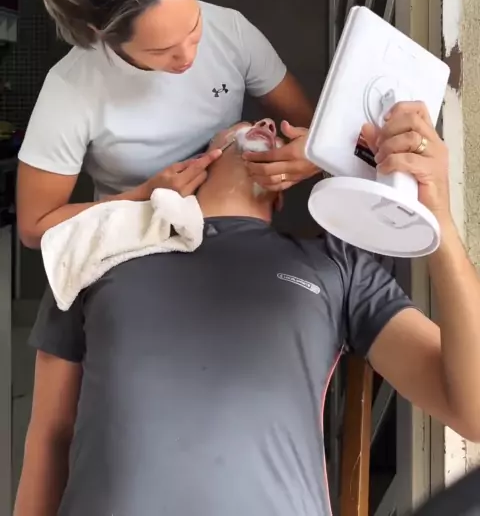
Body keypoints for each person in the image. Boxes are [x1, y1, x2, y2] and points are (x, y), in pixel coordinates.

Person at [14, 103, 480, 516]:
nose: (267, 125)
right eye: (239, 128)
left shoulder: (336, 267)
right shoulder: (97, 253)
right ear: (198, 166)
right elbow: (50, 434)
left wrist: (434, 214)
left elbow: (473, 412)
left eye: (273, 128)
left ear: (280, 195)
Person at [16, 0, 317, 248]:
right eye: (161, 50)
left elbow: (310, 126)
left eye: (194, 27)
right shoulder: (70, 89)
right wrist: (144, 197)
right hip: (136, 247)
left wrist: (312, 156)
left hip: (230, 236)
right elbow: (34, 228)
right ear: (101, 35)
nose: (188, 56)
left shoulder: (231, 30)